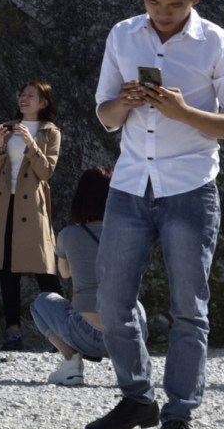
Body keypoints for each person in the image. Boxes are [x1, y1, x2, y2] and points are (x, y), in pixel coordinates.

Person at [84, 0, 224, 429]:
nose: (162, 13)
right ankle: (138, 397)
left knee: (189, 309)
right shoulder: (122, 34)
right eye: (153, 1)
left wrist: (184, 113)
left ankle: (178, 417)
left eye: (175, 4)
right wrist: (124, 103)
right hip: (130, 185)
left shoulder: (220, 45)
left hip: (190, 189)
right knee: (111, 301)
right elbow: (104, 115)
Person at [30, 165, 148, 386]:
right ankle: (131, 365)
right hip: (128, 334)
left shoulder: (69, 235)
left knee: (40, 302)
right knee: (136, 305)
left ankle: (71, 361)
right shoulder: (131, 234)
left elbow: (65, 273)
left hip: (85, 333)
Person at [0, 80, 62, 350]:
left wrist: (30, 143)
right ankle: (13, 333)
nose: (23, 99)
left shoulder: (50, 132)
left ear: (43, 102)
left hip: (33, 206)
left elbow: (46, 172)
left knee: (45, 271)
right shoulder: (9, 128)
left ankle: (62, 333)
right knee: (6, 270)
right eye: (22, 94)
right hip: (5, 205)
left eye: (31, 95)